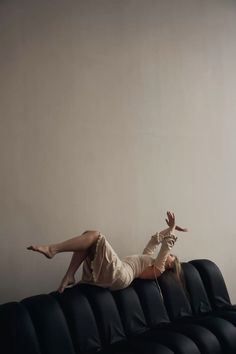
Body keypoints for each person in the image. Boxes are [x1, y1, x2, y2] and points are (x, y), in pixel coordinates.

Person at [27, 211, 187, 293]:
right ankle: (69, 275)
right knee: (88, 238)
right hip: (118, 272)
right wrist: (169, 229)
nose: (169, 257)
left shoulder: (158, 270)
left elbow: (166, 247)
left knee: (96, 235)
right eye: (171, 257)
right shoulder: (150, 258)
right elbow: (155, 240)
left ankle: (53, 249)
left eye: (170, 260)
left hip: (122, 275)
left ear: (169, 266)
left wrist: (172, 229)